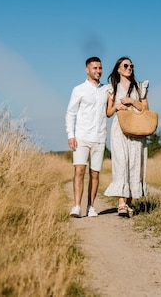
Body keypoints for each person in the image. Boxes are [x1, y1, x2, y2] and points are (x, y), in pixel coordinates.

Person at [103, 56, 150, 218]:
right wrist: (116, 106)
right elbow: (108, 113)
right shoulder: (111, 88)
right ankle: (121, 204)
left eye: (131, 65)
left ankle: (129, 204)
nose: (129, 68)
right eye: (126, 65)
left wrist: (131, 101)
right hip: (119, 130)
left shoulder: (139, 87)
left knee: (134, 164)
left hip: (136, 129)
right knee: (121, 163)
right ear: (118, 69)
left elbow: (146, 109)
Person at [65, 56, 109, 218]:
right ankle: (77, 206)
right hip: (82, 136)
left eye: (100, 68)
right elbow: (70, 113)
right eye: (95, 68)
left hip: (99, 137)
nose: (98, 71)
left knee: (95, 173)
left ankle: (91, 206)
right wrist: (71, 135)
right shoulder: (79, 90)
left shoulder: (107, 89)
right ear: (87, 70)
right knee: (79, 170)